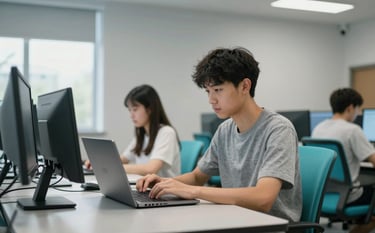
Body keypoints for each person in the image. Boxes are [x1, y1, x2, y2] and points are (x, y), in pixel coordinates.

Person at [136, 47, 302, 222]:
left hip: (270, 225)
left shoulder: (278, 129)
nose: (211, 100)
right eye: (208, 91)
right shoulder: (225, 130)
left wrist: (193, 191)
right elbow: (197, 176)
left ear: (245, 86)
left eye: (218, 90)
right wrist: (164, 183)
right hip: (235, 219)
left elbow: (263, 199)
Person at [312, 88, 375, 233]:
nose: (358, 113)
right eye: (358, 109)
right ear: (350, 107)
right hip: (348, 196)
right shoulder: (353, 130)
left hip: (323, 194)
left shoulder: (318, 128)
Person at [85, 84, 181, 177]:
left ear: (150, 109)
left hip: (164, 192)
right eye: (129, 110)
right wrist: (99, 162)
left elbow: (150, 169)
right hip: (146, 188)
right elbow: (123, 158)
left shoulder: (166, 133)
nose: (131, 115)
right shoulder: (143, 135)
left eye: (135, 109)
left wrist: (111, 167)